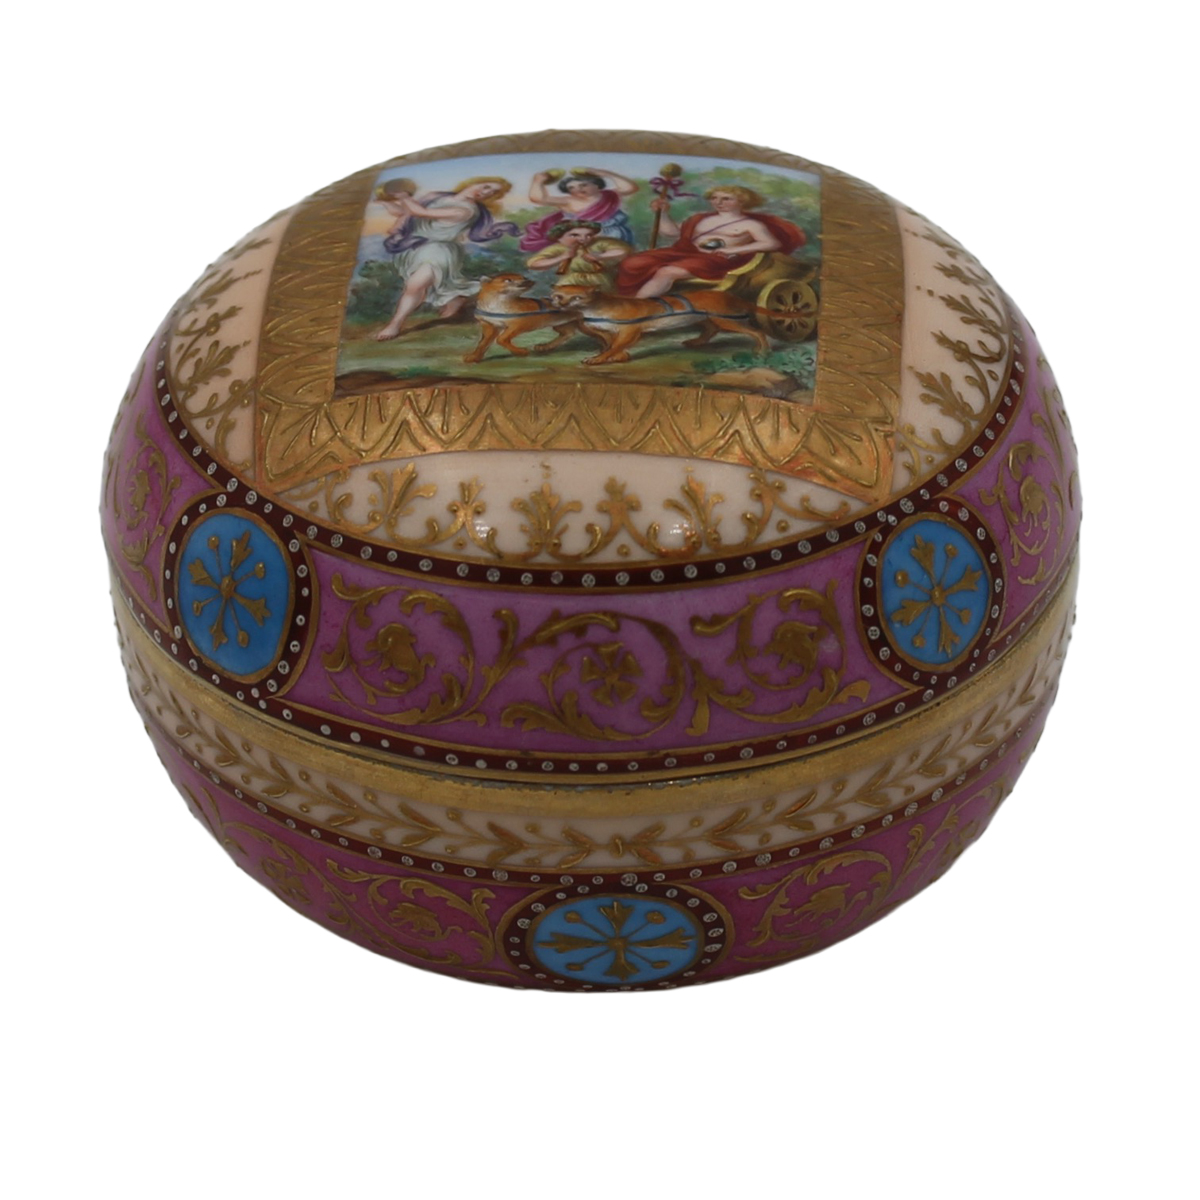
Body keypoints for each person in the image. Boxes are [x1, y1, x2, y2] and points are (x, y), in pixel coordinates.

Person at [374, 177, 517, 341]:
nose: (486, 193)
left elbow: (421, 213)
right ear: (474, 182)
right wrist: (386, 202)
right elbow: (405, 213)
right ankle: (456, 298)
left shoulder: (467, 210)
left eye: (492, 193)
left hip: (439, 250)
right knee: (423, 284)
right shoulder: (437, 196)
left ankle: (395, 324)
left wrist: (404, 196)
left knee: (415, 285)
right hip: (414, 247)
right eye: (486, 186)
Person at [616, 185, 805, 298]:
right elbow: (671, 233)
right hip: (686, 253)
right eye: (715, 198)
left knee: (667, 271)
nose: (718, 202)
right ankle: (627, 298)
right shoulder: (701, 218)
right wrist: (664, 214)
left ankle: (636, 306)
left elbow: (771, 244)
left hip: (720, 260)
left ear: (742, 202)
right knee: (633, 262)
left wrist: (735, 250)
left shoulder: (751, 224)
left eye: (726, 199)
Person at [520, 167, 637, 250]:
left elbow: (630, 188)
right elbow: (538, 198)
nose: (578, 189)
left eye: (583, 185)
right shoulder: (569, 201)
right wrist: (538, 181)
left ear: (597, 185)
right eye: (571, 188)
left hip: (614, 235)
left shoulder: (609, 195)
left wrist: (605, 173)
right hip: (583, 238)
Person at [526, 220, 630, 289]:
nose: (583, 239)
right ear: (560, 237)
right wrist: (563, 257)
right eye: (574, 235)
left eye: (589, 235)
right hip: (570, 282)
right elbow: (534, 264)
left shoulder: (599, 243)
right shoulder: (558, 248)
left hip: (599, 281)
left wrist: (599, 256)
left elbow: (622, 251)